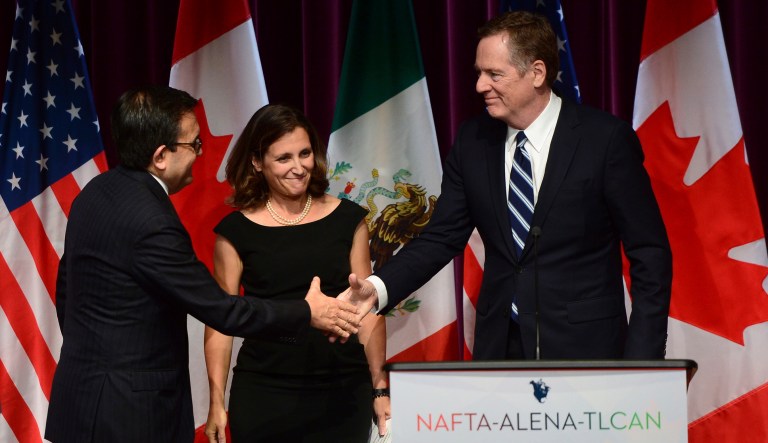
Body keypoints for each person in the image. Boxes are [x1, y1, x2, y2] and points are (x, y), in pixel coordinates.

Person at [343, 11, 672, 361]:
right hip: (500, 348)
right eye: (479, 73)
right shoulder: (472, 142)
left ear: (537, 73)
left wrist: (644, 360)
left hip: (586, 349)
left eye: (494, 74)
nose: (480, 86)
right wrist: (377, 289)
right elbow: (442, 237)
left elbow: (649, 253)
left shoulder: (604, 140)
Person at [45, 86, 361, 443]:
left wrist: (93, 356)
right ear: (162, 155)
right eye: (194, 145)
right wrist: (307, 312)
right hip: (132, 417)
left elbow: (66, 288)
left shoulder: (96, 191)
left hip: (80, 403)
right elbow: (222, 310)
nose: (199, 153)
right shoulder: (152, 221)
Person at [203, 104, 390, 443]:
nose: (299, 167)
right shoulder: (234, 232)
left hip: (343, 390)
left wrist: (379, 387)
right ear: (258, 163)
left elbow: (368, 311)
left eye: (304, 153)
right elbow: (220, 321)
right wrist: (216, 400)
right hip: (264, 393)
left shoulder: (349, 219)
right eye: (284, 158)